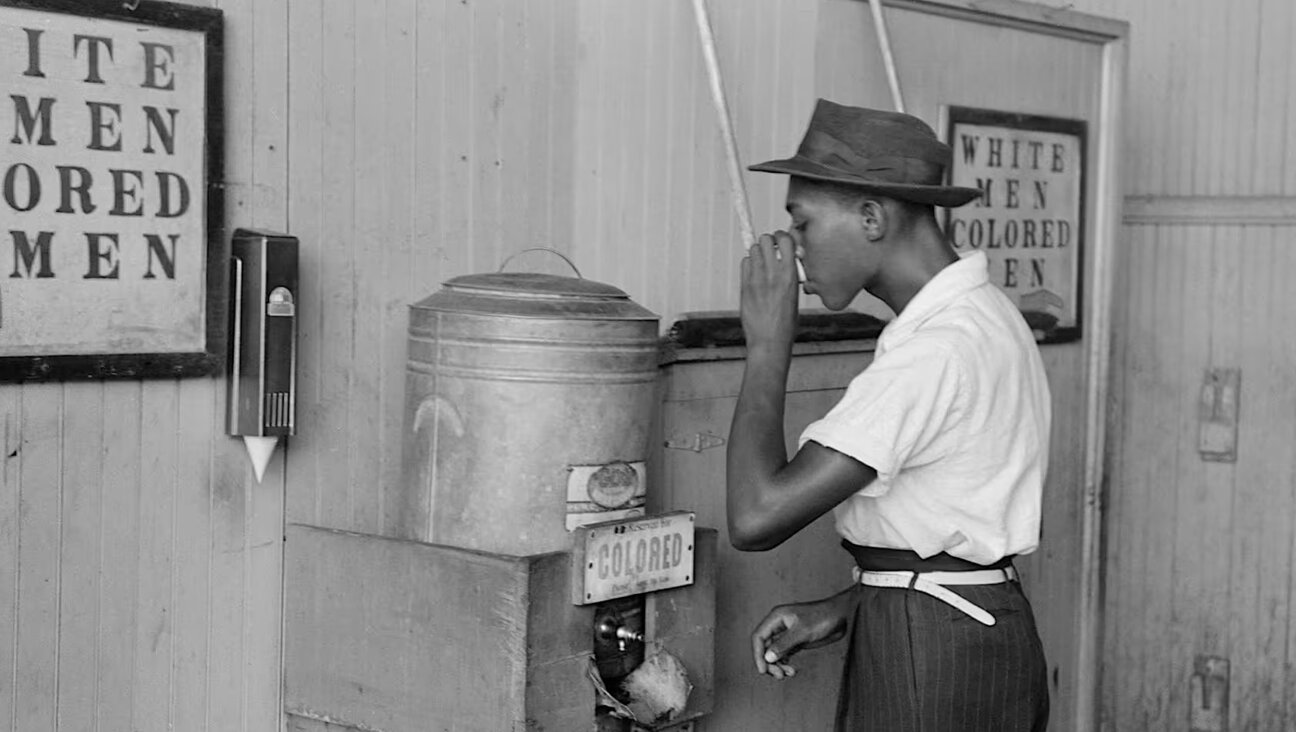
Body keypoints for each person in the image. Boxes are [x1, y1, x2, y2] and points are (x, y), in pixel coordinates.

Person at [726, 99, 1051, 731]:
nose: (794, 249)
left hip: (933, 652)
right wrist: (852, 604)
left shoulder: (937, 351)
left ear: (871, 217)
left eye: (804, 223)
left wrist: (767, 346)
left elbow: (756, 515)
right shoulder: (982, 316)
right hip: (963, 625)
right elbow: (954, 528)